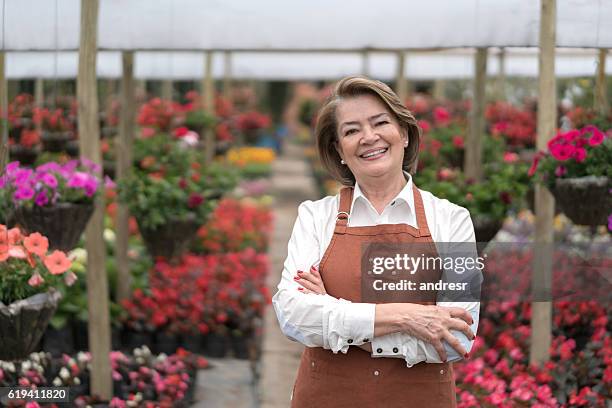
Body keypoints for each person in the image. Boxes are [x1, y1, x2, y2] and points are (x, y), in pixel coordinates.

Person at [272, 76, 480, 408]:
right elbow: (293, 315)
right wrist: (405, 317)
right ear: (339, 150)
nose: (369, 137)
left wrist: (337, 317)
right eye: (351, 130)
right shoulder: (315, 217)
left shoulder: (452, 220)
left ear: (404, 133)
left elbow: (456, 337)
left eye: (380, 122)